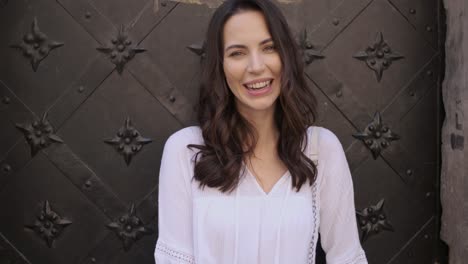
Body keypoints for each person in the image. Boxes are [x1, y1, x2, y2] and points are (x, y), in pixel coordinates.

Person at [154, 0, 368, 263]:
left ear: (285, 56)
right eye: (237, 53)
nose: (255, 66)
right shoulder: (186, 151)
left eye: (268, 48)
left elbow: (347, 257)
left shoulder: (319, 149)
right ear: (220, 66)